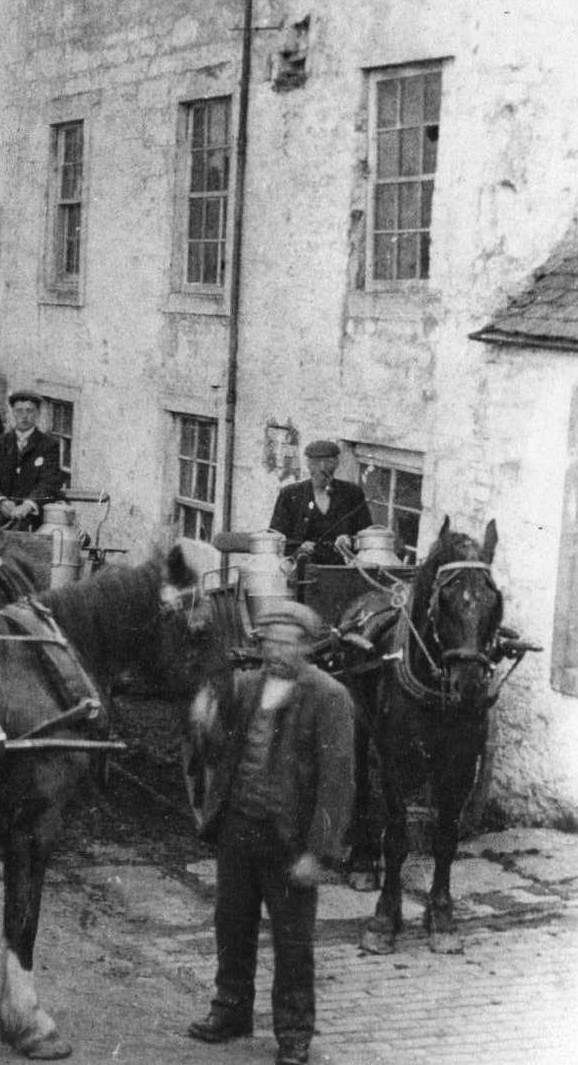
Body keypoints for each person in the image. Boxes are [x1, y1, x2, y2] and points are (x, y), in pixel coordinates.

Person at [186, 600, 355, 1065]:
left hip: (290, 841)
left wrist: (318, 853)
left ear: (306, 645)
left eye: (287, 642)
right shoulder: (245, 687)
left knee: (293, 943)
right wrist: (205, 723)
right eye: (269, 641)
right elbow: (220, 753)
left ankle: (295, 1035)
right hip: (238, 828)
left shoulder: (329, 697)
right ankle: (231, 1010)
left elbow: (336, 782)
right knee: (232, 926)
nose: (275, 651)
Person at [269, 440, 373, 558]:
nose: (322, 472)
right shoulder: (290, 495)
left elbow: (367, 535)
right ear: (308, 465)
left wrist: (349, 539)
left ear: (336, 465)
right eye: (316, 465)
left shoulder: (352, 493)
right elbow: (276, 537)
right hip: (301, 564)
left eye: (328, 466)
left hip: (341, 566)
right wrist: (301, 546)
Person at [0, 390, 66, 529]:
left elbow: (49, 482)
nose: (24, 416)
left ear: (37, 413)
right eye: (19, 411)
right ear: (12, 413)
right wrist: (1, 502)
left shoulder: (48, 445)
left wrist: (28, 505)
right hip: (0, 513)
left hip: (33, 515)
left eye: (30, 411)